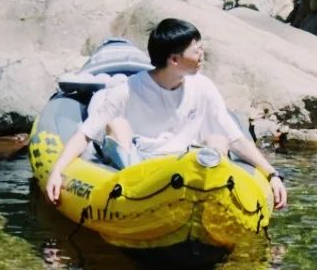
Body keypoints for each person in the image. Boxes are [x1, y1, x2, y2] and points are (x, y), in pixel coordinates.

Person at [46, 18, 288, 209]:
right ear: (174, 59)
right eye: (197, 50)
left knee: (219, 138)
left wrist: (272, 174)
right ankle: (136, 200)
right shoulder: (127, 90)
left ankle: (214, 197)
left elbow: (235, 138)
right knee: (117, 124)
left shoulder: (203, 86)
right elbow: (85, 134)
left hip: (185, 164)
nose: (202, 55)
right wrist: (57, 172)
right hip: (138, 165)